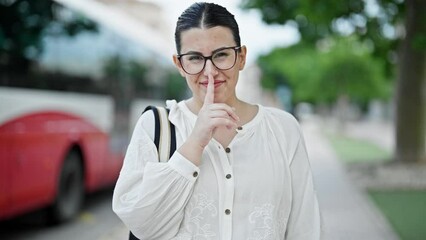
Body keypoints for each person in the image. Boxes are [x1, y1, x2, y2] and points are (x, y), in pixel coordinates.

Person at [112, 2, 321, 239]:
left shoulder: (284, 129)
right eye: (194, 58)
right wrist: (194, 144)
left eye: (221, 55)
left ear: (241, 57)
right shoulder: (155, 126)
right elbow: (142, 225)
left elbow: (305, 226)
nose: (210, 71)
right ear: (179, 64)